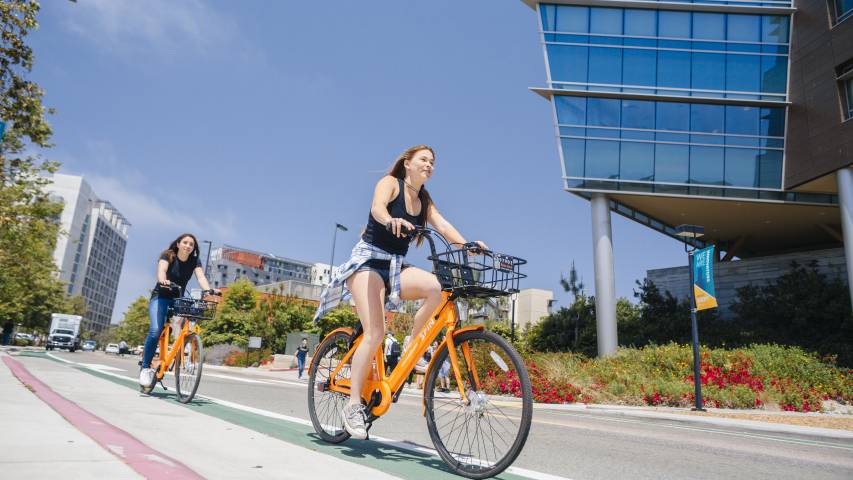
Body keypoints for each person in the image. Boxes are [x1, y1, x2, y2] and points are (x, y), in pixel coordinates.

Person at [313, 145, 487, 439]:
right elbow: (377, 208)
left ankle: (411, 349)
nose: (429, 165)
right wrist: (389, 219)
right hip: (367, 263)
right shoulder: (390, 183)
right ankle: (353, 406)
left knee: (436, 288)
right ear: (407, 163)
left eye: (432, 162)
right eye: (423, 160)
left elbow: (443, 226)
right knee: (375, 333)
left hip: (394, 266)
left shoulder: (424, 201)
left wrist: (467, 244)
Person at [139, 233, 217, 387]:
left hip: (178, 299)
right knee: (155, 330)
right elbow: (161, 270)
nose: (188, 246)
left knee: (193, 313)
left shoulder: (194, 261)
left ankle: (186, 349)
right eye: (185, 242)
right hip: (160, 297)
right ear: (178, 244)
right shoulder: (168, 255)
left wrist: (208, 290)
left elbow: (201, 277)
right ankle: (145, 368)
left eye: (191, 244)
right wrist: (163, 281)